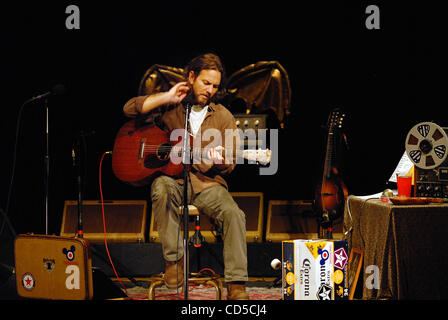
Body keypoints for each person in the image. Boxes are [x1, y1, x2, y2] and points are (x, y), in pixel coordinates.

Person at [123, 53, 249, 300]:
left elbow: (231, 162)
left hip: (206, 184)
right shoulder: (170, 106)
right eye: (206, 83)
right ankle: (174, 262)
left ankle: (236, 284)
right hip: (173, 180)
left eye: (214, 86)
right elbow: (129, 108)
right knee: (160, 186)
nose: (210, 90)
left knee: (234, 214)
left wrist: (219, 160)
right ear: (191, 77)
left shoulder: (224, 116)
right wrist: (167, 96)